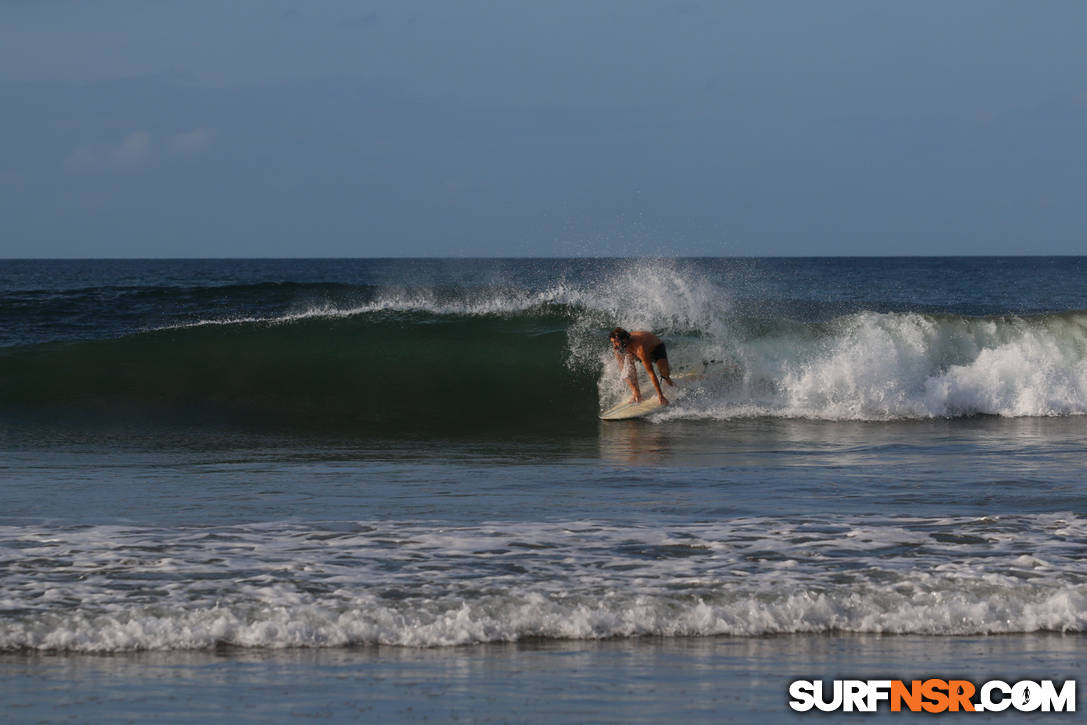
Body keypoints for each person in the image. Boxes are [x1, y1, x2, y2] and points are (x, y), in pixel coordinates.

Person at [609, 327, 673, 406]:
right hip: (634, 350)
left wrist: (661, 396)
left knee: (665, 373)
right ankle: (636, 393)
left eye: (615, 342)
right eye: (613, 342)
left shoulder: (640, 348)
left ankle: (669, 382)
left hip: (656, 349)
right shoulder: (619, 346)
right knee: (627, 367)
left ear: (624, 340)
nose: (614, 346)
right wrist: (633, 387)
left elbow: (651, 374)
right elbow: (623, 369)